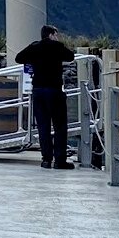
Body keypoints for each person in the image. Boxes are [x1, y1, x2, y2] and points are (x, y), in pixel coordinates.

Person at [15, 24, 74, 170]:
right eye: (56, 34)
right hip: (54, 90)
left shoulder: (35, 47)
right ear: (51, 35)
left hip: (38, 90)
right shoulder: (57, 47)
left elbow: (19, 58)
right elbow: (70, 56)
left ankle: (46, 159)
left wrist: (33, 61)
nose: (57, 37)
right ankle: (60, 160)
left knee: (43, 126)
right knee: (60, 126)